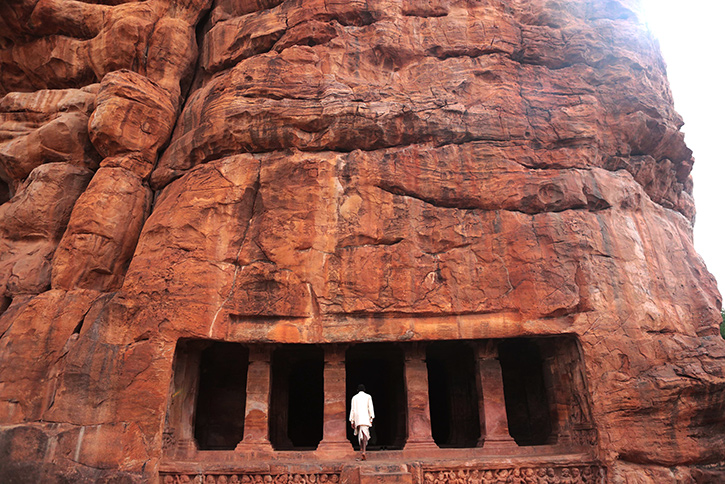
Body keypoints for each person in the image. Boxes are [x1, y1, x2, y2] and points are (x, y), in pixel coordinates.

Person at [349, 384, 374, 460]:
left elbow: (352, 409)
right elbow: (370, 408)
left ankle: (361, 449)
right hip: (365, 417)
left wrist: (352, 420)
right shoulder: (368, 396)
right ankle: (364, 450)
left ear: (357, 390)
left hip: (358, 418)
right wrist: (371, 418)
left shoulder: (354, 397)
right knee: (365, 433)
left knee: (360, 434)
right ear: (364, 390)